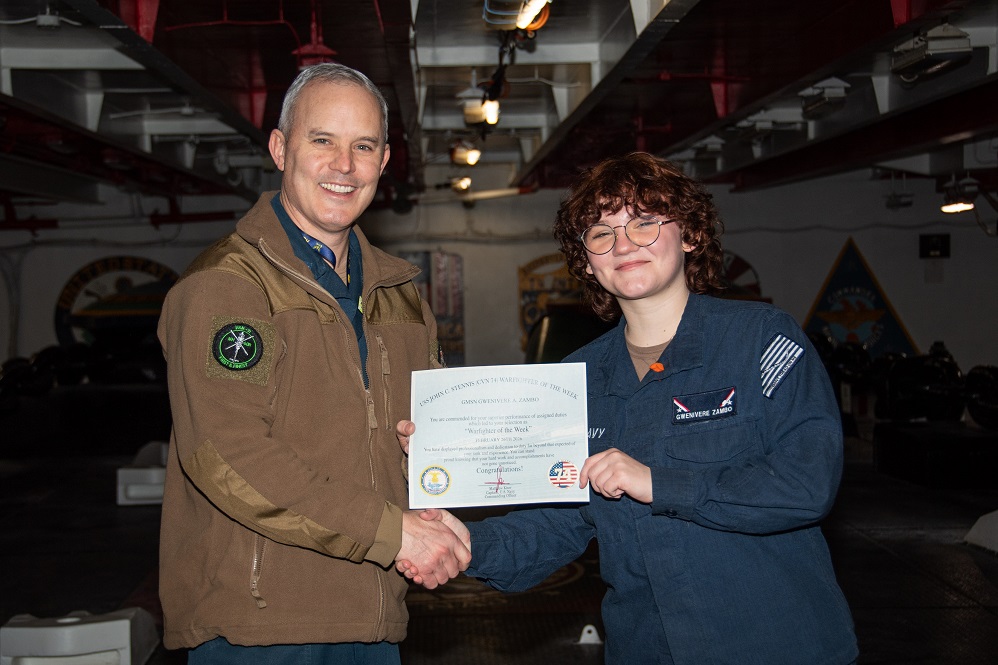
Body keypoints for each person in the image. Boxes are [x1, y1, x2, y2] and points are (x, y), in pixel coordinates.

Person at [397, 152, 859, 664]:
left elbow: (806, 484)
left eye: (643, 224)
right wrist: (465, 541)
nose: (623, 245)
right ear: (587, 259)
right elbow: (558, 522)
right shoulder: (577, 380)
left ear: (690, 235)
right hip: (647, 648)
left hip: (775, 645)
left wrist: (658, 482)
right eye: (601, 233)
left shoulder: (762, 341)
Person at [157, 63, 470, 664]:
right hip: (262, 625)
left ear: (383, 161)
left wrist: (446, 466)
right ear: (280, 149)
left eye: (363, 146)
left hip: (374, 611)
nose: (343, 166)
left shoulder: (399, 294)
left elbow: (428, 437)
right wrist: (398, 533)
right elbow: (228, 455)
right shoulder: (226, 288)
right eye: (321, 140)